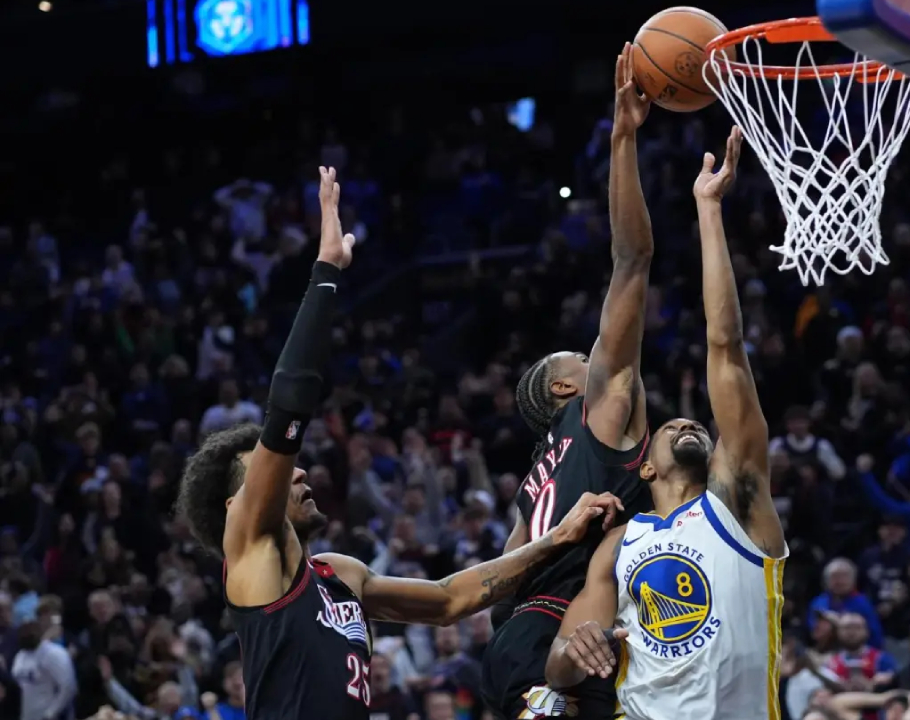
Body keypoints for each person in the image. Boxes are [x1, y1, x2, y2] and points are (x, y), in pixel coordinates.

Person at [174, 168, 625, 720]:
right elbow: (289, 404)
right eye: (272, 471)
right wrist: (326, 273)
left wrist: (556, 538)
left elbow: (449, 600)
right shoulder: (250, 550)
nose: (297, 472)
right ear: (234, 506)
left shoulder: (340, 574)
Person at [543, 126, 789, 719]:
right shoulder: (620, 543)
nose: (688, 425)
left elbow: (725, 346)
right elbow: (557, 667)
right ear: (645, 466)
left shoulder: (739, 503)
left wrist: (709, 209)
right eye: (671, 426)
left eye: (695, 426)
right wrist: (577, 648)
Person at [480, 45, 659, 720]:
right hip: (569, 633)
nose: (596, 359)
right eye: (580, 361)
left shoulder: (534, 481)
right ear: (564, 391)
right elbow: (632, 259)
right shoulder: (597, 411)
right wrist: (623, 139)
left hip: (515, 643)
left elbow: (500, 586)